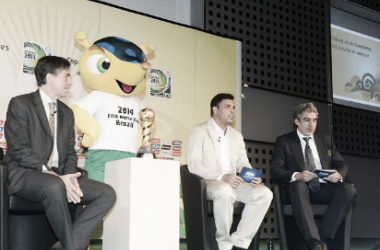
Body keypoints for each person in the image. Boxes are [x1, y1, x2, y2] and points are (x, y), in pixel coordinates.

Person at [3, 56, 116, 250]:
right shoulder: (21, 104)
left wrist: (70, 177)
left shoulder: (67, 112)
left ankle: (64, 246)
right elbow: (18, 149)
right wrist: (54, 175)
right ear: (49, 77)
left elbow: (71, 152)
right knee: (54, 184)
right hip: (25, 174)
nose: (71, 82)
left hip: (59, 175)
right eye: (66, 76)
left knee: (106, 193)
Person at [187, 93, 272, 250]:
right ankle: (224, 244)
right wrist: (222, 176)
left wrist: (252, 176)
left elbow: (243, 163)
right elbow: (194, 165)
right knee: (225, 191)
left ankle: (239, 242)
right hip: (211, 182)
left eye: (233, 108)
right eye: (227, 107)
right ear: (215, 109)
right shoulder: (199, 131)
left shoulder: (236, 136)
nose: (232, 111)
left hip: (235, 183)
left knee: (265, 194)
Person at [270, 103, 356, 250]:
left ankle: (323, 239)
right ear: (297, 121)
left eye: (314, 120)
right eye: (307, 120)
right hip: (298, 190)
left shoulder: (326, 141)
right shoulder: (284, 141)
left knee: (348, 189)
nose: (311, 124)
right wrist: (298, 175)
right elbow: (275, 171)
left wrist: (338, 175)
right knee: (298, 185)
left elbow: (342, 165)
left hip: (322, 188)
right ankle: (313, 242)